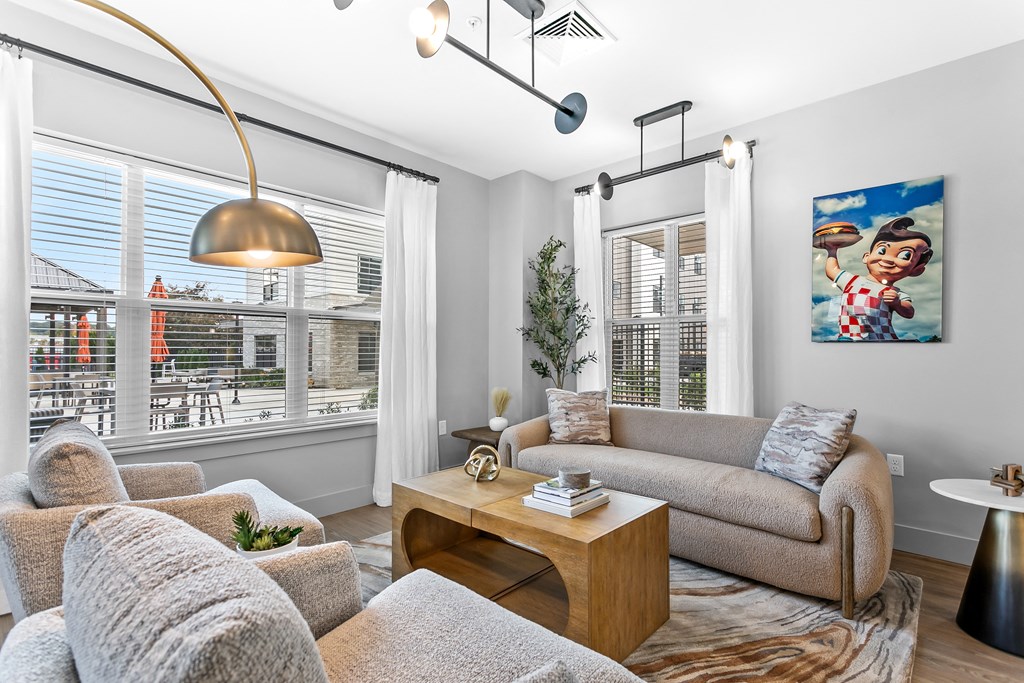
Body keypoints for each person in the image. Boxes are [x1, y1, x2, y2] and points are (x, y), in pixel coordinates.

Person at [824, 216, 933, 341]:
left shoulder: (894, 291)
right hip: (852, 337)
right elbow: (832, 271)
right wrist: (832, 251)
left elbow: (909, 312)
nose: (887, 259)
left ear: (916, 270)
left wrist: (897, 303)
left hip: (883, 338)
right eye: (882, 250)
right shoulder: (852, 281)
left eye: (905, 255)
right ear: (866, 257)